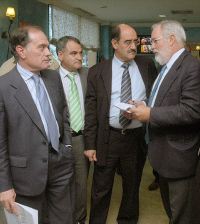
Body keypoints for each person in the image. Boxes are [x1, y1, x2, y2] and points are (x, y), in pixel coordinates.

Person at [125, 20, 200, 224]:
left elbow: (192, 110)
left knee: (184, 217)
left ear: (172, 39)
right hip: (165, 157)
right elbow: (164, 100)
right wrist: (144, 105)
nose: (152, 46)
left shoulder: (192, 67)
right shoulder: (168, 66)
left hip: (180, 158)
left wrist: (150, 114)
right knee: (173, 213)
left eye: (155, 41)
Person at [0, 25, 75, 224]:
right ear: (21, 51)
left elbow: (64, 114)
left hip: (60, 166)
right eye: (41, 47)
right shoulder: (4, 87)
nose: (48, 53)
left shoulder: (53, 77)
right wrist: (4, 186)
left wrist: (66, 146)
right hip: (25, 175)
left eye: (47, 47)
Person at [84, 23, 157, 224]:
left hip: (135, 139)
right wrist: (90, 144)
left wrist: (144, 105)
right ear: (115, 43)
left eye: (136, 41)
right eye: (128, 42)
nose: (133, 46)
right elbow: (90, 110)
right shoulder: (97, 71)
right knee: (101, 189)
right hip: (107, 138)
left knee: (132, 187)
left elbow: (158, 98)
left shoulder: (147, 66)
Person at [56, 36, 89, 224]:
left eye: (81, 53)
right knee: (60, 184)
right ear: (60, 55)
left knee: (81, 184)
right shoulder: (49, 77)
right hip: (60, 140)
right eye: (74, 53)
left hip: (83, 139)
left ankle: (79, 219)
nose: (79, 57)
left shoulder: (87, 74)